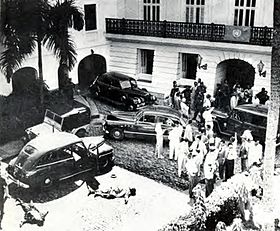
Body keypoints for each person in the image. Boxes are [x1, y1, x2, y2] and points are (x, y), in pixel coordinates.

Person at [0, 161, 9, 230]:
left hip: (1, 197)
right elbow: (6, 186)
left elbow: (6, 186)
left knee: (1, 208)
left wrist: (7, 194)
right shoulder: (2, 179)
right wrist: (7, 194)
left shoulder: (2, 179)